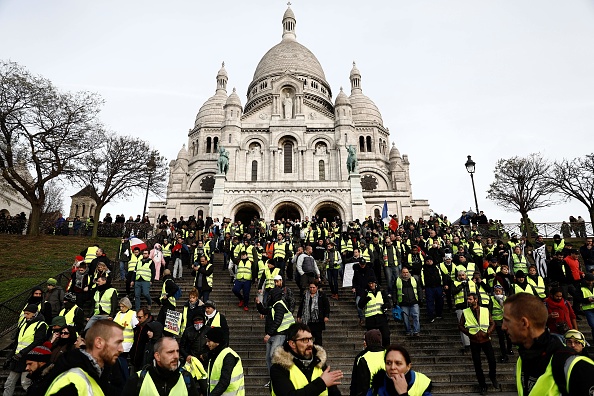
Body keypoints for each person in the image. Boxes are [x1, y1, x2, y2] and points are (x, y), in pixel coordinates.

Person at [502, 293, 594, 395]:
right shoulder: (522, 359)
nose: (503, 327)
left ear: (524, 323)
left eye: (507, 321)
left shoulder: (575, 365)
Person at [44, 320, 124, 395]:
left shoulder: (99, 373)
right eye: (117, 343)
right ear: (99, 342)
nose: (121, 349)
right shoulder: (72, 381)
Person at [270, 322, 342, 396]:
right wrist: (321, 383)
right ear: (292, 344)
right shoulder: (279, 368)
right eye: (305, 340)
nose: (310, 344)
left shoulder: (319, 363)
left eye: (311, 339)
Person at [122, 336, 200, 396]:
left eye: (177, 351)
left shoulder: (186, 378)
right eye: (170, 352)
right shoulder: (137, 379)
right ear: (157, 356)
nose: (176, 356)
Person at [4, 304, 48, 396]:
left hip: (29, 359)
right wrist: (10, 356)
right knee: (9, 383)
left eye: (27, 314)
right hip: (18, 358)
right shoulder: (24, 323)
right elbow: (18, 342)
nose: (25, 316)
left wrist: (22, 353)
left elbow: (37, 342)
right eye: (25, 313)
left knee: (26, 384)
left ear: (35, 314)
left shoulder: (41, 325)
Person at [458, 293, 498, 395]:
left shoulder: (485, 310)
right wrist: (469, 334)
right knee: (477, 364)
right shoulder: (465, 311)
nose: (468, 301)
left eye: (470, 299)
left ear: (476, 300)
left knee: (492, 360)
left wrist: (488, 332)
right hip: (474, 340)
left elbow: (492, 323)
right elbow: (461, 325)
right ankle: (482, 385)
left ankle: (492, 376)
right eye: (468, 299)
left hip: (485, 339)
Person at [256, 285, 295, 381]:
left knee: (273, 356)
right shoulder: (274, 305)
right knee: (268, 358)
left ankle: (278, 378)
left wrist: (268, 333)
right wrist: (258, 304)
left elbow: (278, 321)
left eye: (271, 295)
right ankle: (273, 379)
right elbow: (264, 311)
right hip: (273, 334)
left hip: (280, 334)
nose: (269, 297)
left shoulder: (279, 305)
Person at [367, 344, 432, 396]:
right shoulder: (376, 386)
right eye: (388, 363)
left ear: (408, 366)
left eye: (398, 363)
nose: (392, 367)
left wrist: (403, 393)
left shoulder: (421, 384)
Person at [204, 327, 244, 396]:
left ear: (217, 342)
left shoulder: (228, 356)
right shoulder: (215, 354)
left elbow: (224, 382)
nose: (207, 344)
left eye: (209, 341)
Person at [350, 329, 385, 396]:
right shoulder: (388, 354)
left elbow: (356, 383)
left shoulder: (361, 357)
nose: (364, 342)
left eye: (365, 340)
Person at [358, 277, 391, 347]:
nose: (371, 285)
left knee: (386, 336)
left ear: (375, 283)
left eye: (372, 283)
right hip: (370, 319)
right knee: (371, 338)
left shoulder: (381, 292)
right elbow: (360, 305)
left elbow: (388, 303)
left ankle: (386, 350)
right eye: (369, 283)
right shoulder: (366, 293)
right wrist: (365, 300)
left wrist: (385, 306)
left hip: (381, 317)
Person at [395, 268, 422, 337]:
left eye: (406, 272)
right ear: (401, 273)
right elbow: (394, 291)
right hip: (403, 302)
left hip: (414, 301)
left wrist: (420, 299)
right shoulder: (397, 280)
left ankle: (416, 331)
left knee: (416, 317)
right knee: (405, 318)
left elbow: (419, 289)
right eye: (404, 272)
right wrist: (395, 301)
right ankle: (408, 331)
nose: (405, 274)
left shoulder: (414, 279)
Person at [491, 285, 513, 363]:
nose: (497, 292)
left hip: (506, 320)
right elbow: (490, 310)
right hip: (497, 320)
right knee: (501, 338)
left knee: (508, 336)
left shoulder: (506, 299)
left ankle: (509, 349)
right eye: (496, 291)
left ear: (502, 291)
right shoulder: (492, 299)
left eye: (499, 291)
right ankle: (504, 354)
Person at [420, 257, 443, 323]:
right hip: (429, 287)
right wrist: (423, 287)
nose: (429, 262)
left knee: (440, 301)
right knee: (430, 302)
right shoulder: (423, 268)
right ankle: (430, 316)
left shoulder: (436, 267)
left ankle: (439, 314)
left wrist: (442, 284)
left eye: (430, 260)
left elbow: (440, 275)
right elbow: (422, 277)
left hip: (438, 286)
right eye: (428, 261)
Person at [579, 272, 594, 342]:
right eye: (589, 281)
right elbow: (577, 298)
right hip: (588, 309)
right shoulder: (581, 287)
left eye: (592, 281)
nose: (590, 282)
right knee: (593, 325)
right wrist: (587, 300)